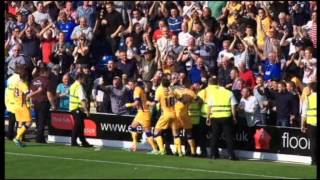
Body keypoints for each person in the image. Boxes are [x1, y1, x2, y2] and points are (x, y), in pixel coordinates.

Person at [206, 76, 238, 160]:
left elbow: (209, 106)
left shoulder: (213, 94)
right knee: (228, 137)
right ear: (225, 85)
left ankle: (213, 154)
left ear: (217, 84)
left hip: (215, 117)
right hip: (226, 117)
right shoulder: (229, 93)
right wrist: (234, 117)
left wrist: (208, 117)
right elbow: (233, 106)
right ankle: (231, 155)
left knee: (214, 136)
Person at [125, 80, 158, 154]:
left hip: (144, 113)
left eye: (131, 84)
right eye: (129, 85)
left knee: (148, 133)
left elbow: (136, 102)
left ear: (135, 84)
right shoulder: (140, 90)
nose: (130, 86)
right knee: (132, 127)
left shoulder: (136, 90)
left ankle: (155, 149)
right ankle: (134, 145)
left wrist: (128, 105)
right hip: (141, 113)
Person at [153, 77, 182, 156]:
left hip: (165, 114)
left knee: (156, 133)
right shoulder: (172, 90)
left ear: (161, 84)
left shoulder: (159, 91)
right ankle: (180, 152)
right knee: (176, 134)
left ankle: (162, 150)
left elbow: (155, 102)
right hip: (174, 114)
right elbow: (180, 97)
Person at [29, 65, 56, 143]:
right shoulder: (47, 81)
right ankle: (39, 139)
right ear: (45, 72)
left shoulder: (34, 80)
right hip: (43, 103)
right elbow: (49, 95)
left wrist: (31, 102)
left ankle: (41, 138)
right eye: (48, 72)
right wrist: (53, 105)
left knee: (38, 121)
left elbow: (31, 92)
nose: (49, 73)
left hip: (35, 103)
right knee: (42, 122)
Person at [69, 72, 93, 147]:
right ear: (80, 78)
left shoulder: (73, 85)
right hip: (77, 108)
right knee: (78, 125)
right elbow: (82, 99)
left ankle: (83, 142)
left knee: (80, 125)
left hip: (73, 107)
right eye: (84, 78)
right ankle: (74, 142)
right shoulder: (79, 86)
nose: (85, 80)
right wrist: (86, 111)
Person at [12, 65, 32, 147]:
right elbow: (28, 95)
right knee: (29, 122)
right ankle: (17, 138)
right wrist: (37, 91)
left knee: (20, 123)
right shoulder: (24, 85)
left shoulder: (17, 83)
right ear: (26, 76)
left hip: (16, 105)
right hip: (22, 105)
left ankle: (19, 140)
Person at [301, 82, 317, 165]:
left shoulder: (308, 98)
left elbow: (304, 113)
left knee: (313, 142)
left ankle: (314, 160)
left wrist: (302, 125)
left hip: (311, 123)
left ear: (311, 89)